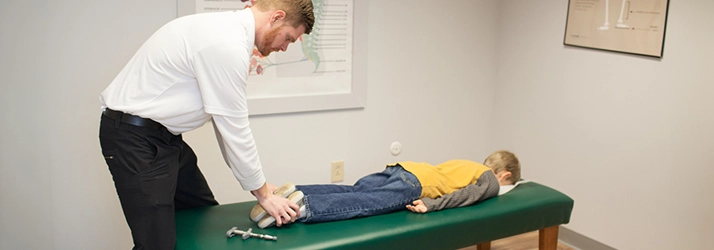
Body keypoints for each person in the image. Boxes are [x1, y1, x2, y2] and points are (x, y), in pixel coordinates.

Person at [98, 1, 314, 249]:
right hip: (135, 141)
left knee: (205, 221)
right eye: (288, 38)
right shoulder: (226, 44)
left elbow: (224, 124)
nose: (285, 48)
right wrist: (262, 194)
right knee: (156, 244)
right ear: (276, 17)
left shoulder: (225, 32)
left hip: (164, 139)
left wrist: (260, 186)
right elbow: (234, 128)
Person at [251, 150, 522, 228]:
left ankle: (295, 191)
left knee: (353, 190)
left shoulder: (467, 163)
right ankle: (301, 207)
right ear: (505, 175)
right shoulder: (491, 179)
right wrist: (433, 205)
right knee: (365, 203)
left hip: (403, 168)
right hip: (416, 185)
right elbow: (470, 195)